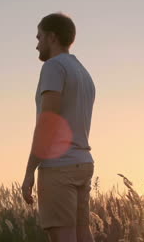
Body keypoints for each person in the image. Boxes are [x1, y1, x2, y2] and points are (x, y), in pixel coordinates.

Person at [21, 13, 96, 242]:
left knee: (63, 237)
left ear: (52, 37)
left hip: (58, 168)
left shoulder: (54, 67)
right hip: (82, 162)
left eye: (39, 37)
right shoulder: (82, 72)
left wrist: (29, 171)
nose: (36, 45)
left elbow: (48, 122)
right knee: (82, 235)